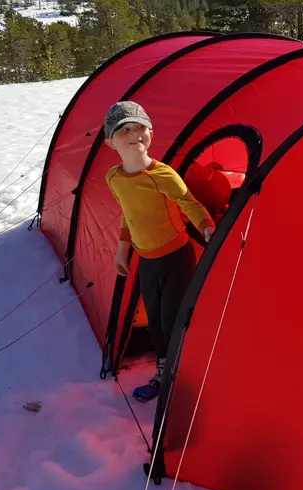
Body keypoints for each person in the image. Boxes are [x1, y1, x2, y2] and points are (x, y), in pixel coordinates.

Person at [103, 101, 216, 402]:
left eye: (140, 128)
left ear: (151, 133)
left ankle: (181, 373)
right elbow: (128, 215)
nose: (134, 135)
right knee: (154, 320)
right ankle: (165, 371)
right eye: (124, 130)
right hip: (146, 260)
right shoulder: (114, 178)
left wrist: (206, 228)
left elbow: (189, 203)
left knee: (171, 319)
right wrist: (121, 250)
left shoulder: (163, 174)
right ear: (109, 142)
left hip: (176, 257)